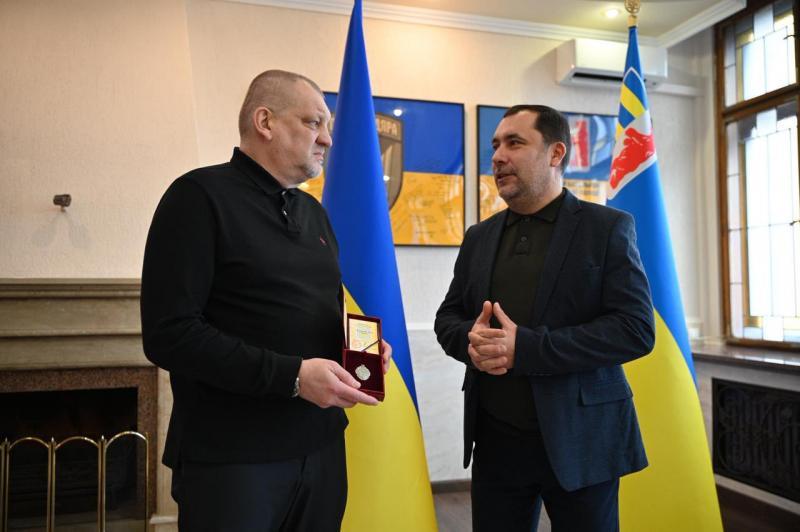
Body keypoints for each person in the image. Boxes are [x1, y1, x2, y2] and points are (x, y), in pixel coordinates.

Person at [140, 70, 390, 531]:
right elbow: (169, 334)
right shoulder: (196, 197)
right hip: (233, 460)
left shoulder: (314, 213)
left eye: (328, 126)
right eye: (314, 122)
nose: (327, 139)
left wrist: (361, 352)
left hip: (321, 448)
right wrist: (292, 376)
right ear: (265, 121)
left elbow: (322, 313)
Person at [434, 105, 655, 532]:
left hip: (582, 440)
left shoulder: (606, 227)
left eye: (514, 143)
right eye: (495, 145)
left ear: (556, 153)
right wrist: (470, 343)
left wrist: (526, 348)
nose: (498, 156)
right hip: (496, 442)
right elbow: (449, 317)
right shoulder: (479, 237)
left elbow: (635, 329)